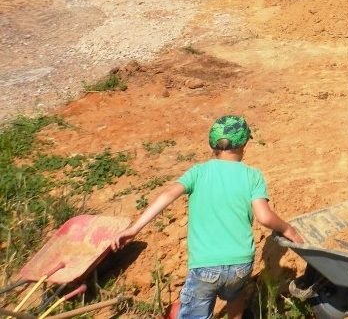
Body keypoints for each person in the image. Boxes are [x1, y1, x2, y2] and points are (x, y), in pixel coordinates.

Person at [110, 115, 303, 319]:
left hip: (205, 266)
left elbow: (167, 196)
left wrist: (134, 229)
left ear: (213, 145)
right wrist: (288, 229)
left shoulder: (198, 172)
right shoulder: (252, 175)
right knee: (235, 296)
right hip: (241, 264)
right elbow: (264, 217)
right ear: (244, 143)